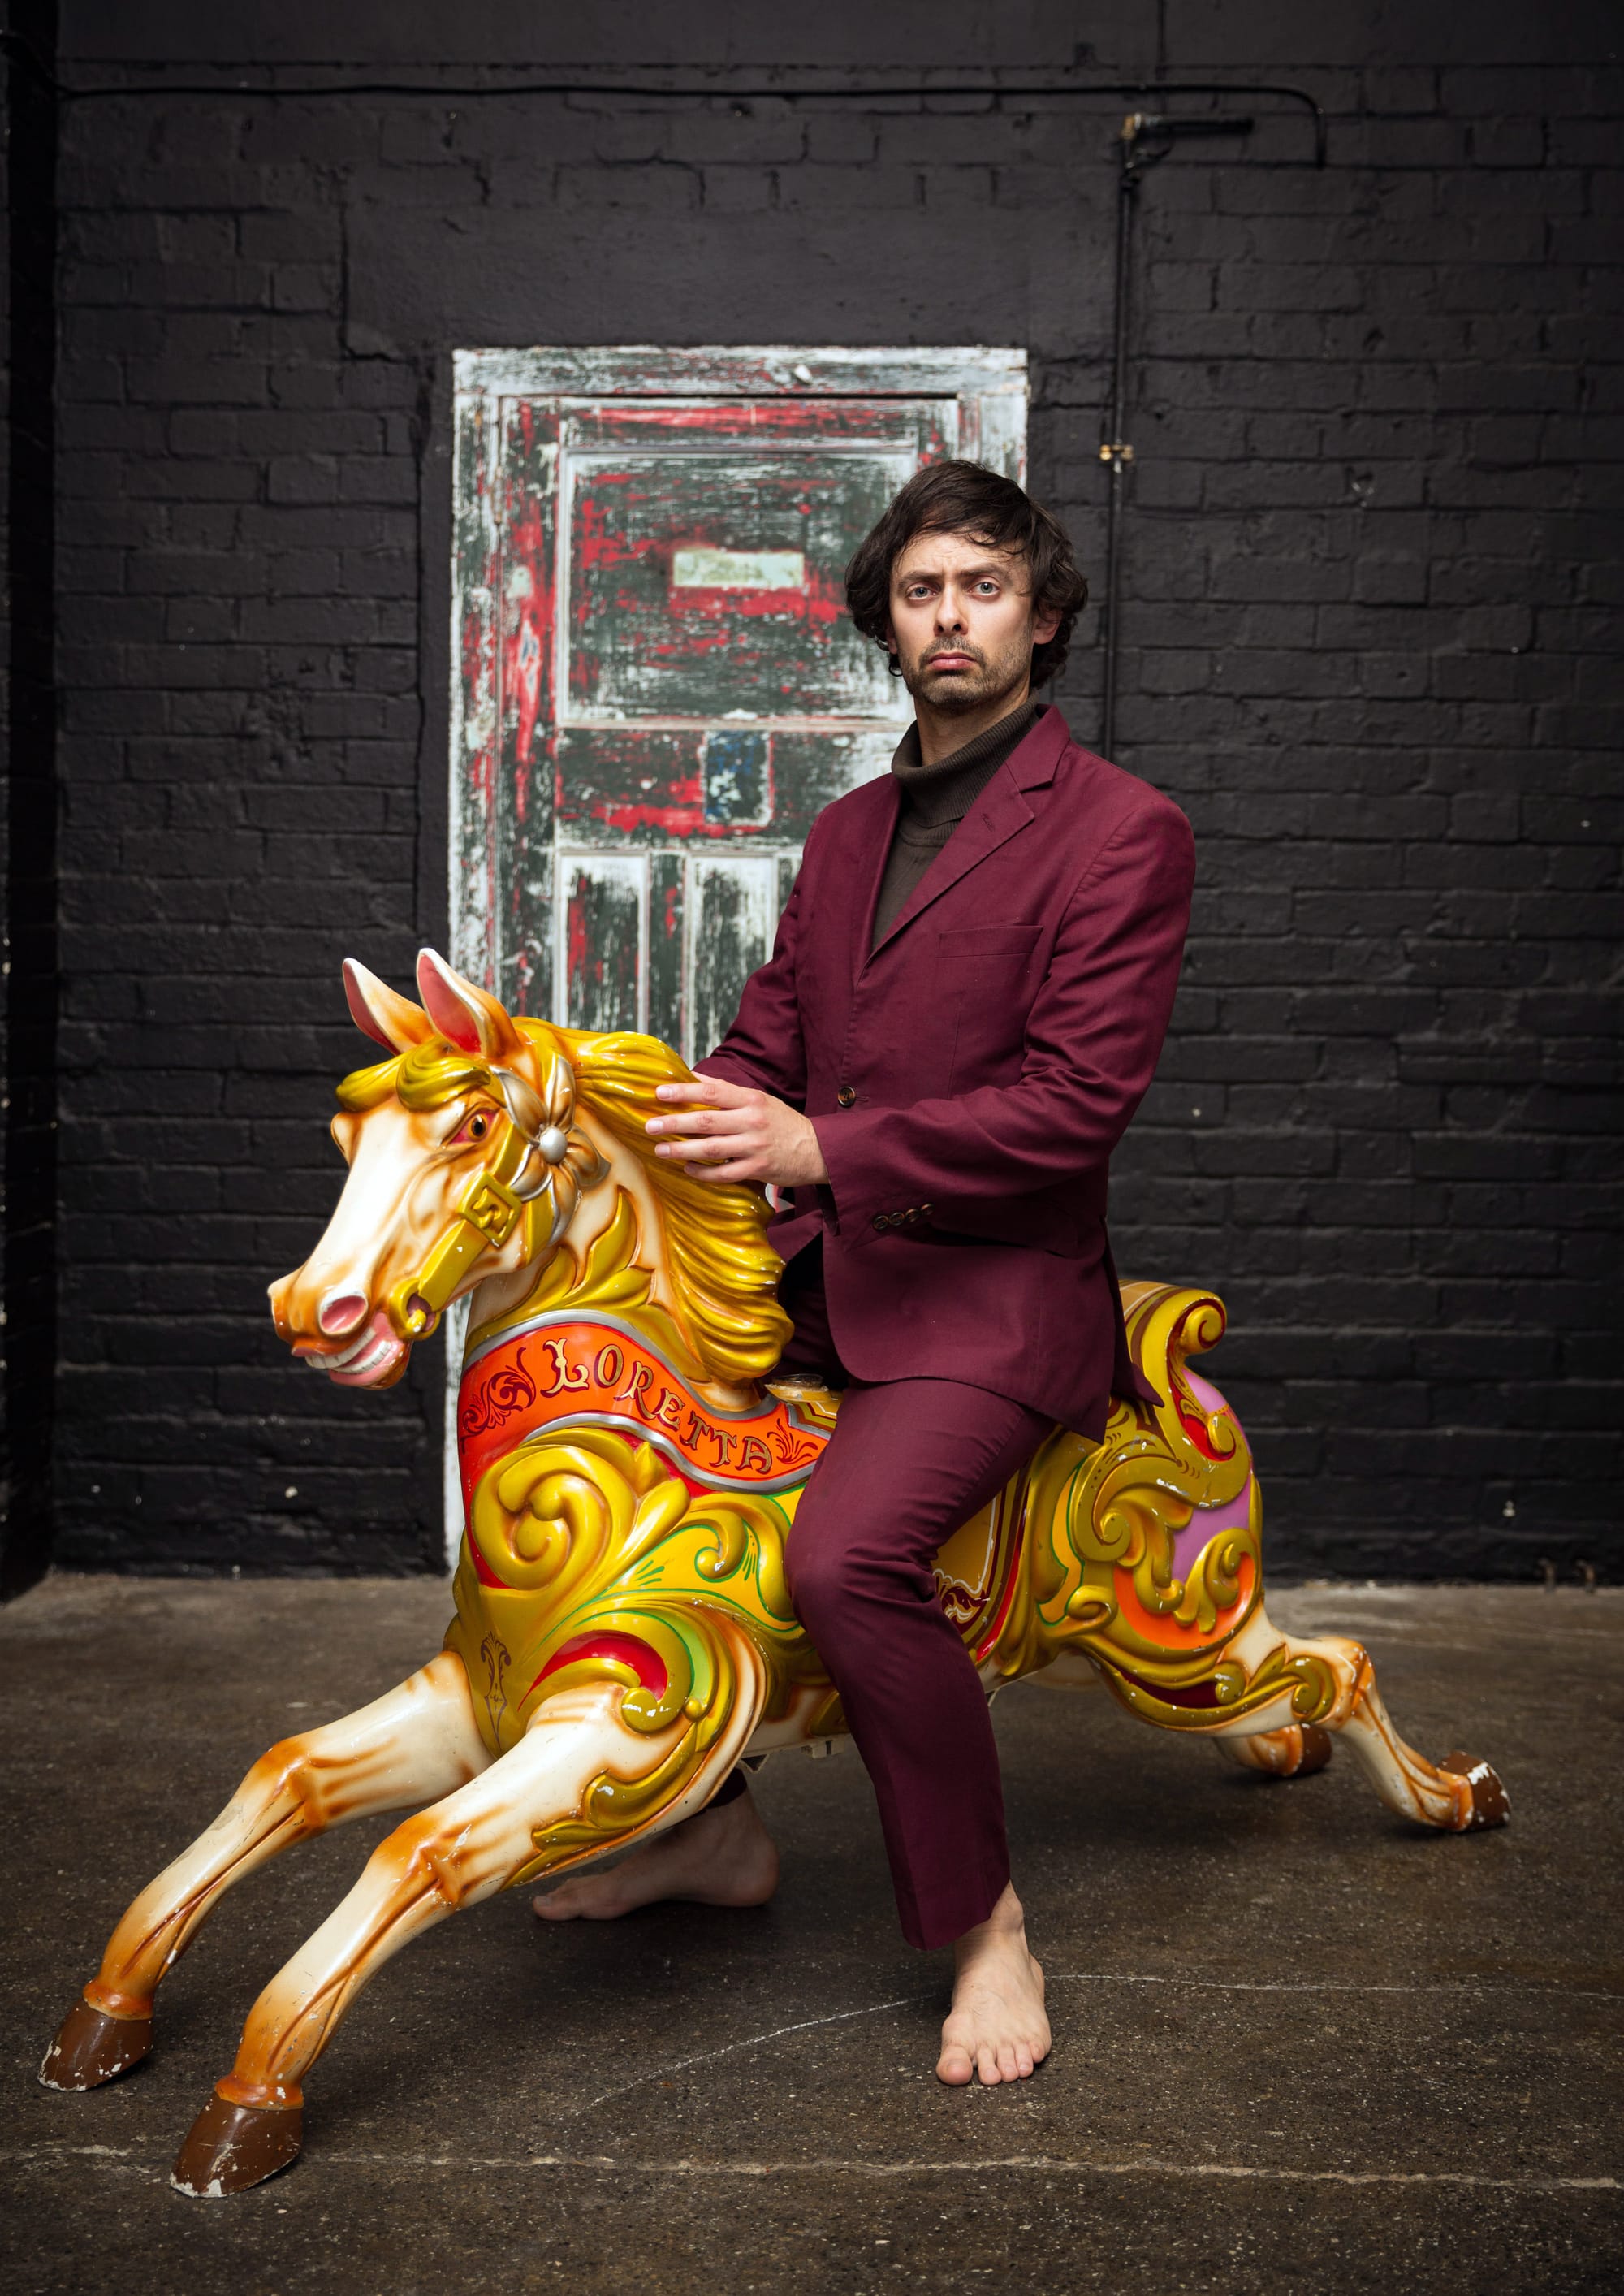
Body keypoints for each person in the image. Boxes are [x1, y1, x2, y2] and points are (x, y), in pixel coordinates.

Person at [533, 460, 1195, 2089]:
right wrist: (611, 1128)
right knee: (617, 1456)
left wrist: (820, 1150)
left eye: (982, 587)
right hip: (820, 1273)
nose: (949, 617)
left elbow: (1073, 1106)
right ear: (886, 624)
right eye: (919, 592)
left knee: (842, 1563)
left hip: (995, 1296)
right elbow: (766, 1047)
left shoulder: (1124, 831)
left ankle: (985, 1923)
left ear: (1043, 618)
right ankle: (710, 1826)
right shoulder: (843, 833)